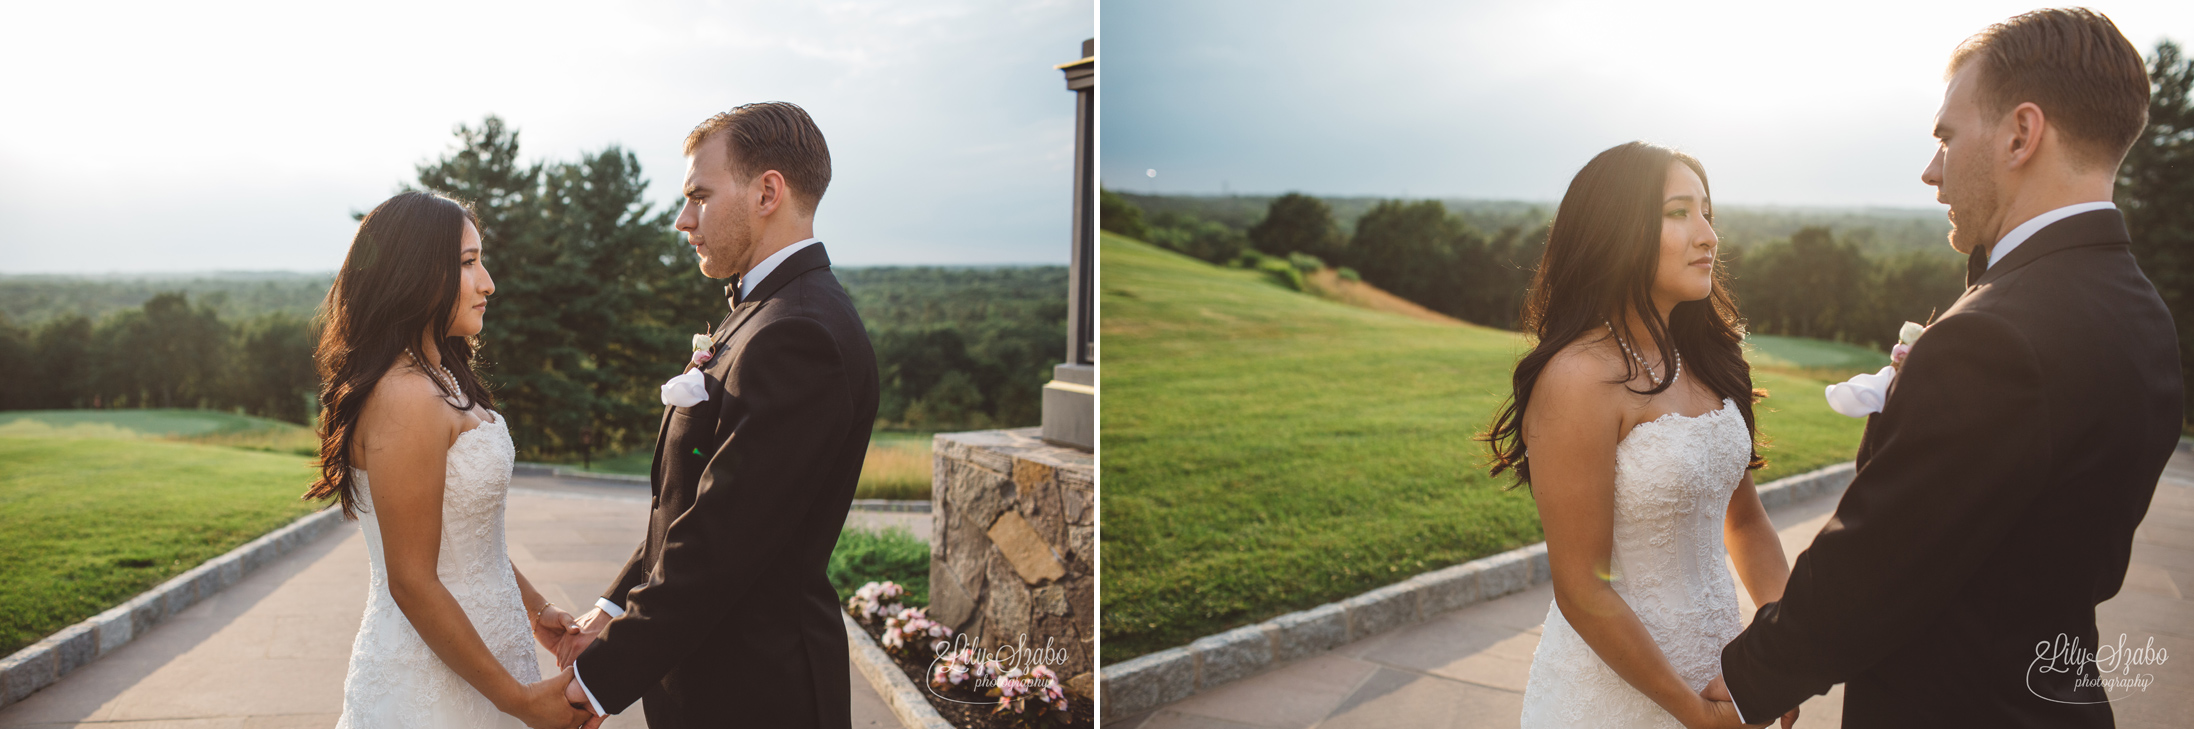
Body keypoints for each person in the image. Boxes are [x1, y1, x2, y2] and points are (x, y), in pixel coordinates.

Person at [1710, 9, 2182, 727]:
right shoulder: (2144, 314)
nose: (1932, 171)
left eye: (1945, 137)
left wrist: (1748, 681)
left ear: (2022, 134)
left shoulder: (1996, 334)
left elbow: (1880, 556)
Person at [552, 101, 882, 728]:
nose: (682, 220)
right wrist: (614, 607)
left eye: (699, 196)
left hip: (756, 696)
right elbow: (691, 506)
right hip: (710, 685)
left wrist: (592, 686)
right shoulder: (765, 312)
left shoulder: (800, 332)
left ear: (767, 192)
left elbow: (724, 541)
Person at [1488, 141, 1794, 728]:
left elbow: (1746, 522)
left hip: (1723, 672)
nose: (1708, 235)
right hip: (1618, 699)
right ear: (1616, 230)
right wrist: (1693, 715)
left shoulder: (1706, 360)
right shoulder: (1579, 377)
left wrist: (1780, 655)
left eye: (1707, 211)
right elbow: (1583, 589)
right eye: (1679, 212)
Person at [311, 191, 596, 729]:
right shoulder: (406, 397)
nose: (487, 282)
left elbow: (462, 534)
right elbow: (413, 580)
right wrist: (519, 701)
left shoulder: (439, 378)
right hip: (433, 682)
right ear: (414, 273)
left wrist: (537, 611)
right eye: (469, 263)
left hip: (487, 651)